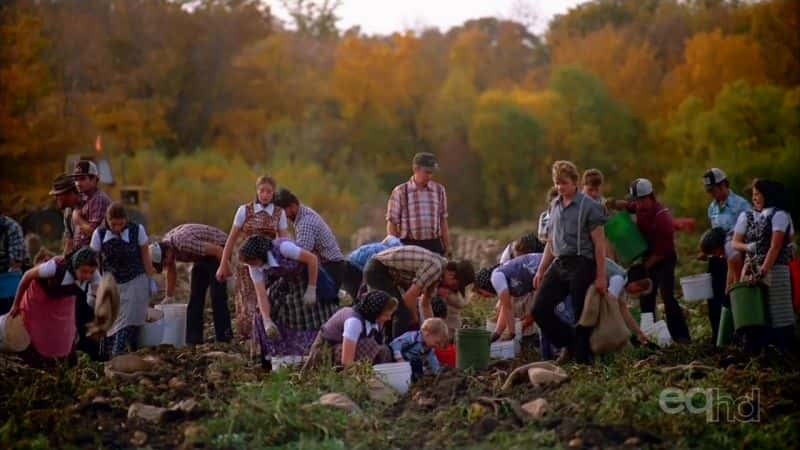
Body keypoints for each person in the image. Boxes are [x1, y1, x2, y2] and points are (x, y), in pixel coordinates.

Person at [532, 161, 608, 365]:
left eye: (564, 183)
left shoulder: (589, 206)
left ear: (575, 182)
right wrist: (541, 270)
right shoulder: (554, 206)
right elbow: (550, 241)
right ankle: (569, 343)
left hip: (582, 262)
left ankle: (585, 361)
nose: (560, 187)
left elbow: (599, 244)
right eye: (557, 183)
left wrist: (601, 275)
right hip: (560, 262)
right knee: (539, 309)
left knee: (580, 313)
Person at [609, 178, 691, 344]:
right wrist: (613, 204)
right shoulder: (639, 208)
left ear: (650, 197)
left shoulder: (662, 218)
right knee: (646, 298)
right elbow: (628, 206)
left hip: (664, 259)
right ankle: (649, 336)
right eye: (636, 201)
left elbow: (662, 252)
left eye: (641, 200)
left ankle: (681, 337)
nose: (638, 204)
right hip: (648, 255)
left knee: (667, 296)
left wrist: (644, 268)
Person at [238, 235, 339, 367]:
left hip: (308, 277)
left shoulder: (284, 248)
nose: (252, 266)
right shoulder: (254, 267)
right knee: (263, 313)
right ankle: (281, 355)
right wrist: (267, 320)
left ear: (260, 256)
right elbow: (261, 295)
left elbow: (312, 260)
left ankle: (319, 352)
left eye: (253, 262)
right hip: (286, 282)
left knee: (307, 311)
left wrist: (311, 288)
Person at [217, 175, 290, 341]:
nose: (265, 195)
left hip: (268, 260)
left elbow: (284, 240)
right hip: (247, 260)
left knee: (269, 296)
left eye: (269, 192)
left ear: (273, 193)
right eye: (262, 191)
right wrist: (223, 264)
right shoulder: (245, 210)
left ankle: (265, 338)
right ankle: (249, 340)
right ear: (257, 191)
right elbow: (231, 239)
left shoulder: (279, 213)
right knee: (247, 303)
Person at [4, 248, 100, 363]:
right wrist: (16, 304)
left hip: (64, 299)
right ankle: (35, 358)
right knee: (37, 330)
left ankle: (61, 359)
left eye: (91, 272)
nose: (88, 276)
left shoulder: (94, 275)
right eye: (84, 271)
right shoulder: (54, 268)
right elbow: (27, 276)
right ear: (75, 266)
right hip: (40, 296)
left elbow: (98, 294)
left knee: (65, 333)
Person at [732, 179, 795, 352]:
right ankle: (759, 351)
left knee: (778, 311)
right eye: (753, 195)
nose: (755, 198)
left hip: (775, 268)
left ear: (768, 195)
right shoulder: (748, 216)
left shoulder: (780, 215)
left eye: (759, 194)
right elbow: (735, 242)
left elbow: (775, 247)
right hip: (752, 268)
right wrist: (749, 250)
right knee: (754, 311)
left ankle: (786, 352)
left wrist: (764, 270)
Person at [364, 245, 474, 340]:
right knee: (403, 314)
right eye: (454, 285)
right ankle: (398, 352)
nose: (450, 289)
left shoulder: (438, 275)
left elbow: (425, 303)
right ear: (451, 274)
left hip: (385, 274)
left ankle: (389, 347)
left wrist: (434, 329)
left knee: (395, 312)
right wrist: (414, 318)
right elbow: (409, 298)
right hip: (377, 270)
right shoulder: (435, 267)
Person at [150, 223, 233, 345]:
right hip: (201, 256)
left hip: (220, 249)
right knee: (195, 298)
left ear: (167, 253)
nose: (166, 266)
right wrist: (169, 296)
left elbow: (218, 251)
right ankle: (193, 339)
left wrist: (227, 271)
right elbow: (171, 271)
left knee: (217, 296)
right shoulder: (167, 246)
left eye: (164, 263)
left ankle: (224, 337)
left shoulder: (184, 243)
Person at [90, 203, 154, 356]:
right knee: (109, 322)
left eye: (121, 223)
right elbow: (94, 259)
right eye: (114, 224)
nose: (117, 227)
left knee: (127, 321)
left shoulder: (137, 230)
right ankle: (106, 359)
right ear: (107, 220)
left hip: (135, 280)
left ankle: (118, 354)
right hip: (111, 283)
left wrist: (150, 278)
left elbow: (145, 255)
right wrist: (96, 282)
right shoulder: (99, 234)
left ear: (126, 220)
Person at [273, 188, 354, 297]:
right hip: (331, 265)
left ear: (292, 206)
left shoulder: (305, 223)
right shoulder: (304, 213)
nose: (283, 217)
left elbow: (302, 254)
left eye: (283, 212)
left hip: (331, 267)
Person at [703, 168, 751, 343]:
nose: (713, 194)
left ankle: (739, 334)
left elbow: (749, 232)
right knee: (714, 297)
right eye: (710, 191)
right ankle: (719, 336)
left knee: (732, 294)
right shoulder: (712, 208)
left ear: (725, 185)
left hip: (736, 257)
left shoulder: (741, 205)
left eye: (715, 189)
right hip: (717, 256)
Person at [304, 290, 397, 370]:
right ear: (375, 312)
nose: (389, 318)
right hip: (325, 352)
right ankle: (345, 378)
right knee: (367, 345)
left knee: (385, 351)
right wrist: (364, 371)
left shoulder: (373, 320)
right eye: (386, 315)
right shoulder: (354, 322)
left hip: (346, 350)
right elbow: (346, 361)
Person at [386, 153, 450, 255]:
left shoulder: (439, 190)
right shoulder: (400, 191)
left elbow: (443, 220)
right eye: (427, 172)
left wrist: (447, 246)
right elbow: (392, 223)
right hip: (408, 245)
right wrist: (394, 248)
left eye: (432, 173)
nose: (430, 176)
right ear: (415, 169)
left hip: (434, 245)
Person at [475, 253, 544, 341]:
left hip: (543, 268)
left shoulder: (495, 278)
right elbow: (505, 308)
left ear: (485, 285)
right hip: (542, 271)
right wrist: (497, 333)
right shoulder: (504, 280)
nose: (484, 297)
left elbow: (508, 308)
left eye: (481, 293)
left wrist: (512, 333)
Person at [390, 317, 448, 381]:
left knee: (419, 366)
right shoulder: (413, 337)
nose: (437, 346)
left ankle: (417, 382)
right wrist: (399, 358)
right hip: (396, 361)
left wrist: (438, 373)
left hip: (410, 364)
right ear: (427, 334)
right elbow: (396, 343)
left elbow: (433, 361)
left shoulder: (429, 349)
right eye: (437, 342)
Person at [71, 161, 112, 250]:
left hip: (94, 257)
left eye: (82, 179)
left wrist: (78, 219)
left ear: (94, 179)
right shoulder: (86, 198)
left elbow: (95, 233)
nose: (78, 183)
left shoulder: (98, 199)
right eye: (76, 179)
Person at [49, 173, 84, 254]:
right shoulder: (68, 212)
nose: (55, 198)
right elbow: (69, 239)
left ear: (70, 193)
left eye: (58, 195)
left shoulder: (88, 207)